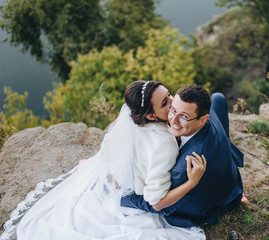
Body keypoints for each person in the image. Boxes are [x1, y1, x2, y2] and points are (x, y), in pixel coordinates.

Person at [0, 81, 206, 240]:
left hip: (112, 188)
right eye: (165, 102)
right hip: (132, 200)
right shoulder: (165, 143)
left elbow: (109, 147)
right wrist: (192, 182)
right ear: (151, 116)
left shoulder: (133, 123)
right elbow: (157, 202)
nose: (172, 103)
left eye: (168, 94)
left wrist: (94, 163)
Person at [121, 84, 245, 227]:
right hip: (231, 176)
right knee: (217, 97)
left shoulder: (183, 168)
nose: (173, 120)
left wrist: (126, 198)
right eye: (173, 109)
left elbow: (158, 204)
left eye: (184, 116)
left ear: (203, 119)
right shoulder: (208, 109)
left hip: (210, 201)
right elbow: (219, 99)